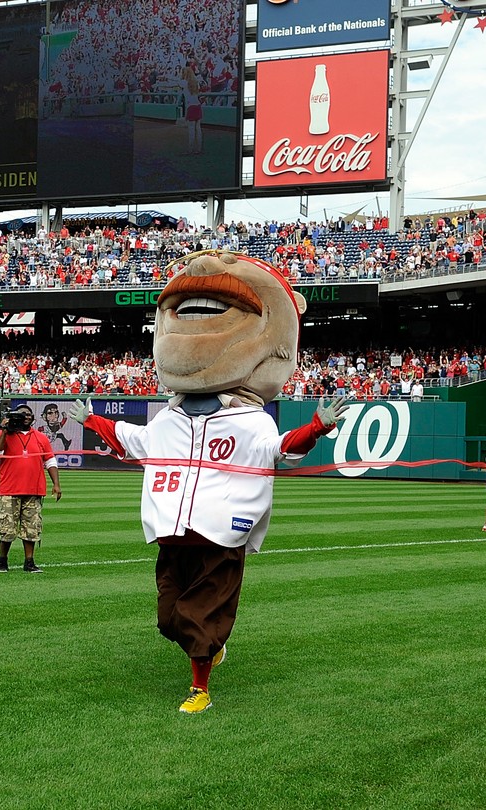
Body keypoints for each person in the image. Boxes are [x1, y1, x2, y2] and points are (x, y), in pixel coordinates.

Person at [69, 250, 347, 715]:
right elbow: (130, 439)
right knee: (167, 619)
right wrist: (92, 419)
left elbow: (280, 450)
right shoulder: (169, 418)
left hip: (221, 533)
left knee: (199, 616)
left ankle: (200, 687)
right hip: (172, 530)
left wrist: (317, 428)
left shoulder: (250, 420)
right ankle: (210, 648)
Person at [0, 403, 61, 573]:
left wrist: (56, 484)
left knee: (31, 528)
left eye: (29, 414)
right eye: (22, 414)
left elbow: (50, 461)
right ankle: (2, 560)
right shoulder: (5, 434)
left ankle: (29, 562)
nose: (26, 416)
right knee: (7, 528)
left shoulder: (40, 437)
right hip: (10, 489)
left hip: (34, 490)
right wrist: (5, 431)